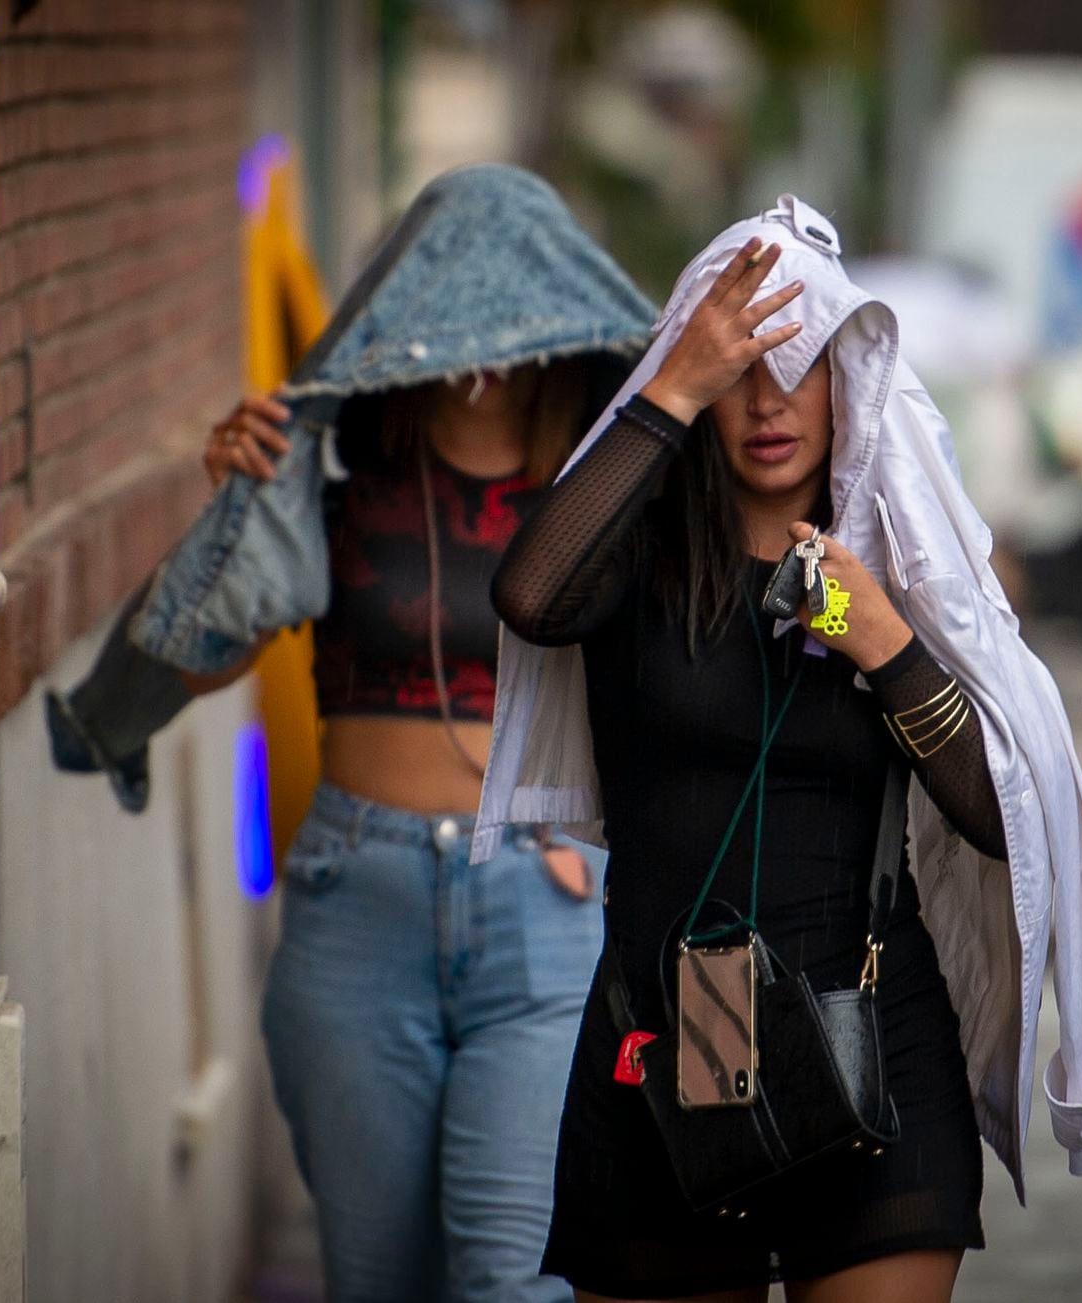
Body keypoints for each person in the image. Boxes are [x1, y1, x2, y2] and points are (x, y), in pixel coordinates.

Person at [483, 196, 1082, 1301]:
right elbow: (527, 594)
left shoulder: (905, 567)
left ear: (852, 379)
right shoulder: (635, 551)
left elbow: (1003, 819)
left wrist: (883, 642)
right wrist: (671, 384)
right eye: (739, 367)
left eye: (800, 364)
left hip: (873, 1056)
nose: (768, 401)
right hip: (662, 1057)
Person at [196, 165, 655, 1301]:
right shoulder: (338, 459)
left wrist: (596, 839)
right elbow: (210, 657)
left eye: (514, 301)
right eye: (456, 294)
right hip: (360, 895)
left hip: (541, 906)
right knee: (379, 1282)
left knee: (514, 1280)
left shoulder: (607, 479)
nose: (485, 341)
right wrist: (233, 510)